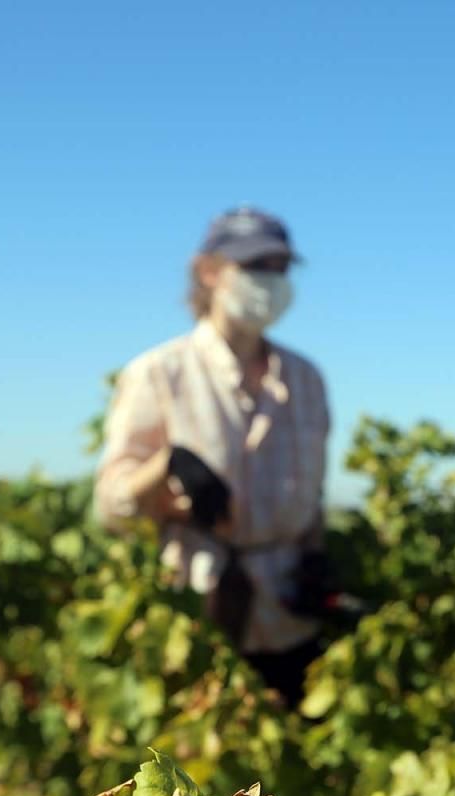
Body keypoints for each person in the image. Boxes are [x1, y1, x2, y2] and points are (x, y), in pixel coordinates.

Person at [94, 206, 331, 706]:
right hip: (194, 612)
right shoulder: (160, 373)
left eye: (280, 267)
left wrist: (316, 559)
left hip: (288, 611)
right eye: (254, 265)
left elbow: (315, 495)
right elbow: (111, 504)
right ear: (209, 272)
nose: (270, 279)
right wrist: (165, 467)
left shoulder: (306, 381)